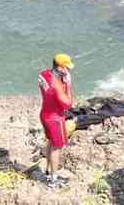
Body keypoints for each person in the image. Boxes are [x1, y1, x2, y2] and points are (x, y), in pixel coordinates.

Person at [38, 53, 74, 187]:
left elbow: (46, 91)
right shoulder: (57, 85)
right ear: (59, 68)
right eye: (66, 68)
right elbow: (68, 104)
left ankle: (47, 171)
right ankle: (54, 180)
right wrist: (68, 85)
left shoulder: (44, 74)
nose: (69, 70)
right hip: (55, 119)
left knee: (50, 142)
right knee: (56, 148)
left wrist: (62, 81)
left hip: (44, 114)